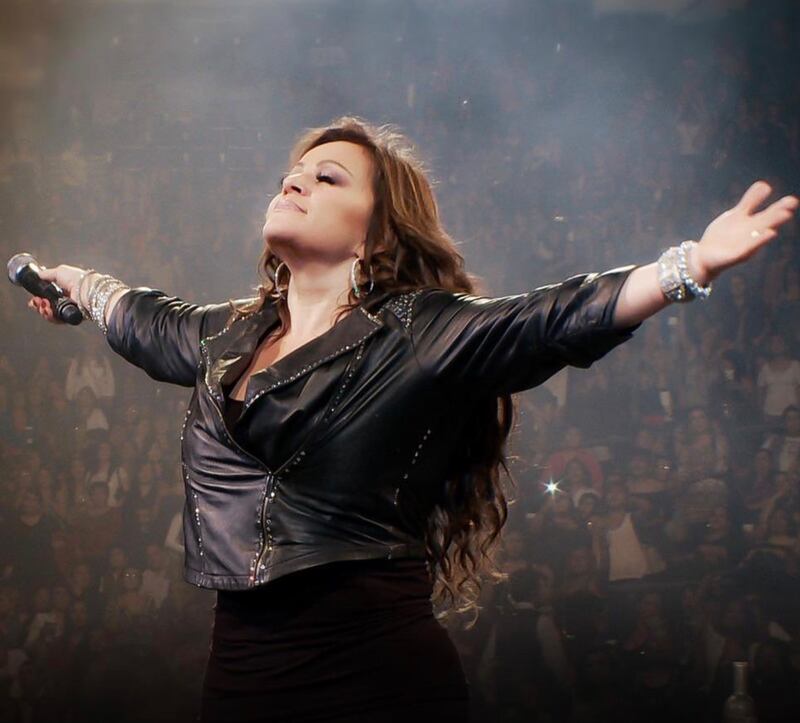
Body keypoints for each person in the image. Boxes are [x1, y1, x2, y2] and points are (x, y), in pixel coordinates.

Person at [26, 116, 797, 722]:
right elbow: (139, 317)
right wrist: (74, 284)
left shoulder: (420, 332)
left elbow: (549, 318)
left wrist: (688, 266)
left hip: (373, 673)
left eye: (327, 177)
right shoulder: (223, 335)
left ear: (375, 228)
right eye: (292, 174)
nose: (295, 181)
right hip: (241, 673)